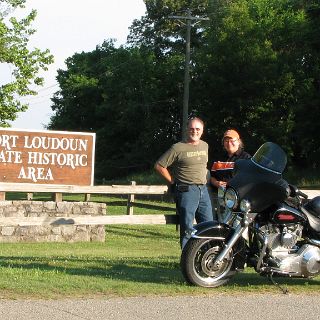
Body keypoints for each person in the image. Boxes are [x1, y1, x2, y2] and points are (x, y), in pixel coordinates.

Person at [154, 117, 213, 248]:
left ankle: (207, 258)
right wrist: (172, 180)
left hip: (203, 190)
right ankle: (187, 260)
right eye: (192, 129)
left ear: (202, 130)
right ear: (187, 129)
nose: (195, 131)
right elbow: (159, 165)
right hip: (186, 190)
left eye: (198, 129)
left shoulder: (205, 145)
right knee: (187, 226)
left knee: (208, 225)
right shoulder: (178, 148)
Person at [210, 129, 251, 219]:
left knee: (238, 226)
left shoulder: (246, 158)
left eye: (232, 140)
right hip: (221, 198)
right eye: (226, 141)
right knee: (222, 224)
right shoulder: (218, 157)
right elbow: (211, 177)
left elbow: (249, 178)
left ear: (238, 142)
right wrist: (216, 183)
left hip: (239, 199)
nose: (229, 143)